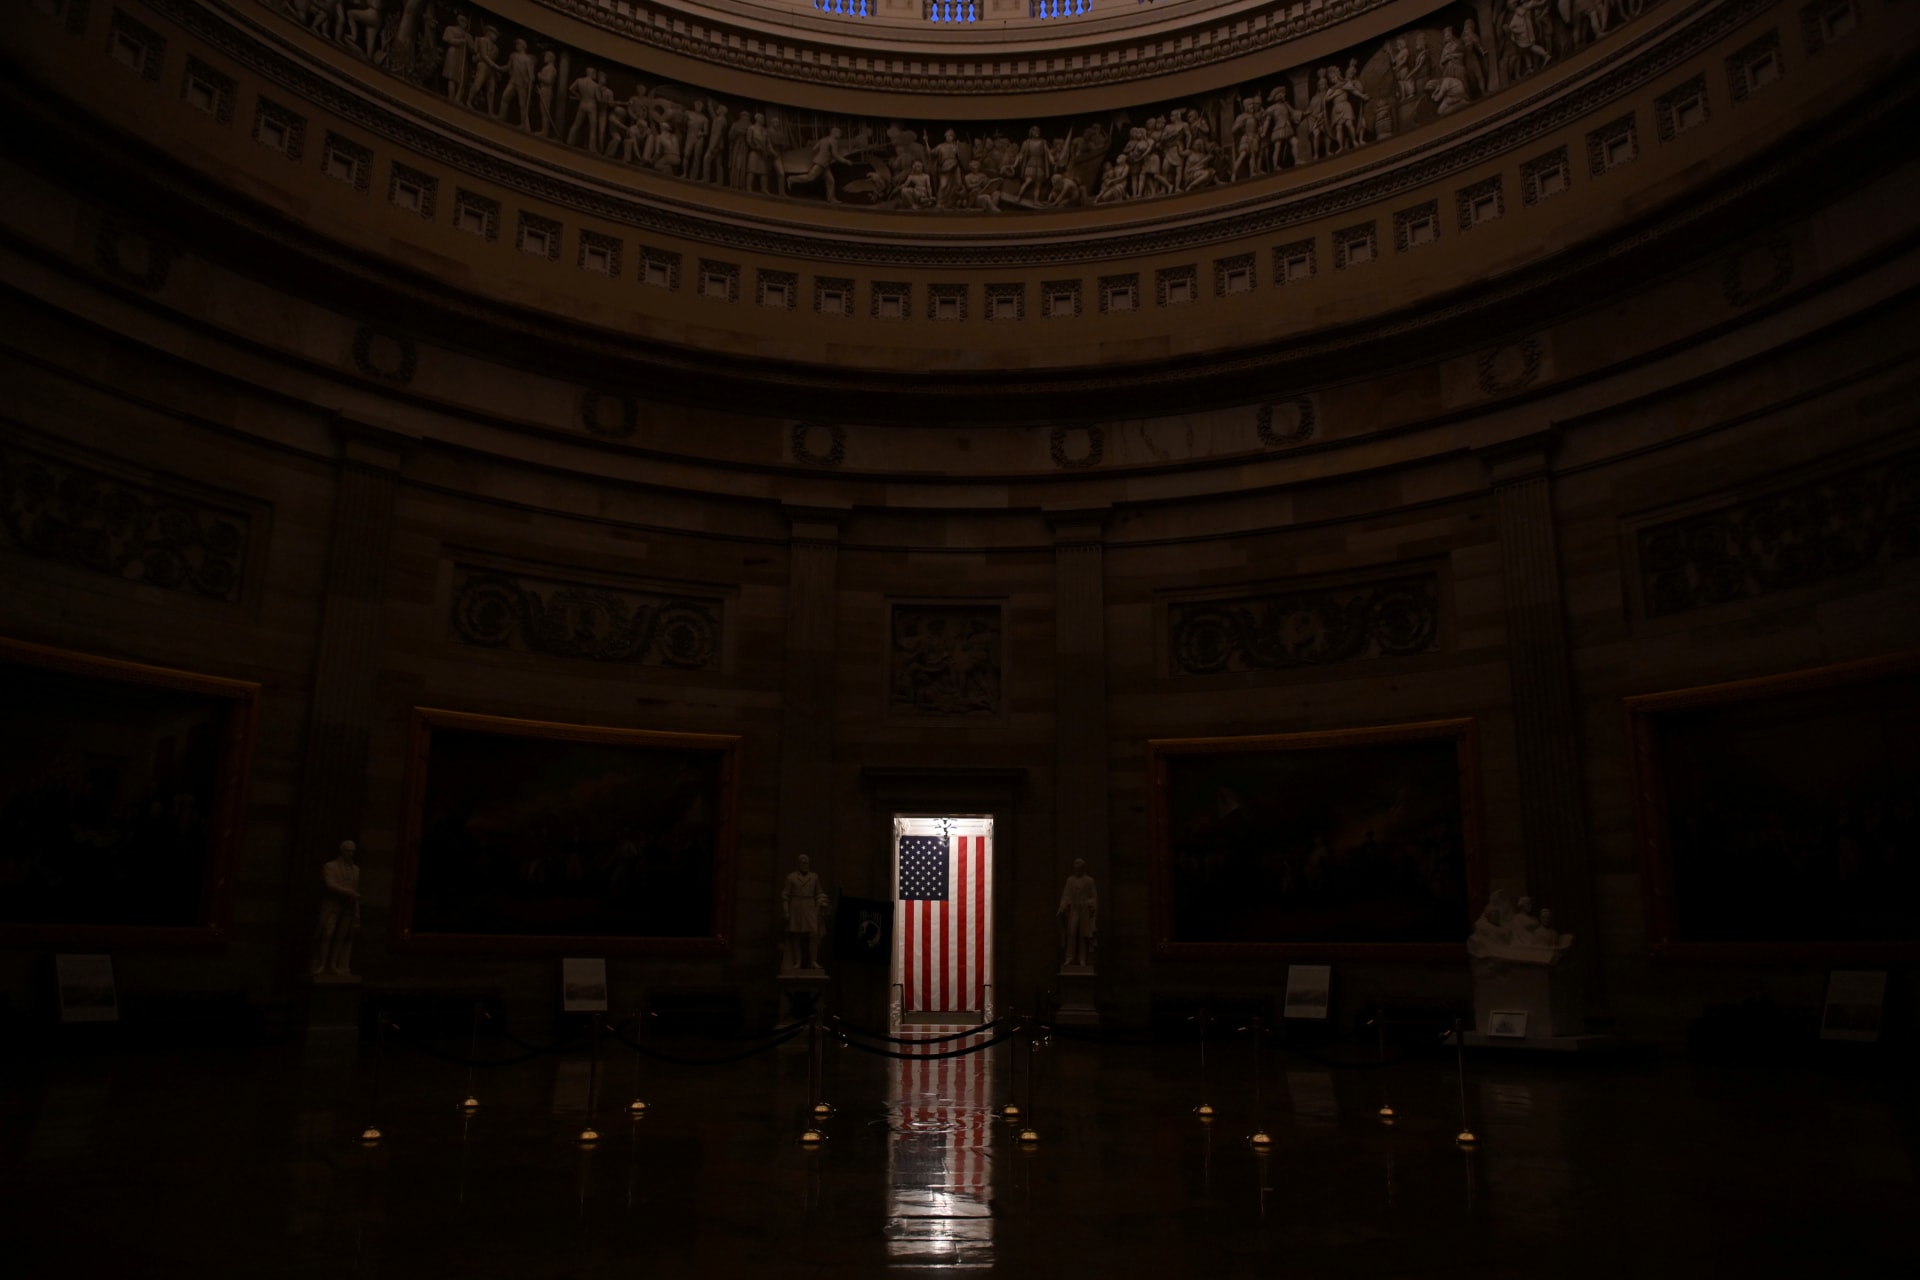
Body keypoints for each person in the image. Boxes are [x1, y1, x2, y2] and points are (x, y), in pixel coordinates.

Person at [310, 840, 361, 978]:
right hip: (332, 906)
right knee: (327, 933)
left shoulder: (356, 870)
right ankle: (322, 963)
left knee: (341, 937)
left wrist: (357, 912)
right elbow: (330, 884)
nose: (350, 854)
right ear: (342, 851)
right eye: (348, 851)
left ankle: (334, 964)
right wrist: (348, 892)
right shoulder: (330, 866)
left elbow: (356, 892)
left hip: (348, 908)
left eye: (352, 851)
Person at [781, 854, 830, 972]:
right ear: (799, 864)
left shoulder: (814, 877)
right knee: (796, 935)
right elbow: (785, 895)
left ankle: (813, 961)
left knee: (814, 934)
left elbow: (819, 892)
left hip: (810, 907)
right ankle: (798, 962)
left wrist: (822, 902)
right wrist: (786, 911)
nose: (805, 865)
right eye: (803, 863)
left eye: (807, 863)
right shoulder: (791, 877)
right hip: (796, 907)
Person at [1057, 858, 1098, 969]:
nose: (1077, 869)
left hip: (1084, 909)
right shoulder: (1070, 881)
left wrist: (1091, 903)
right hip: (1074, 909)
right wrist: (1063, 907)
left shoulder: (1089, 881)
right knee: (1071, 933)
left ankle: (1082, 959)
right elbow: (1066, 895)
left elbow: (1093, 896)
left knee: (1083, 935)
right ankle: (1069, 958)